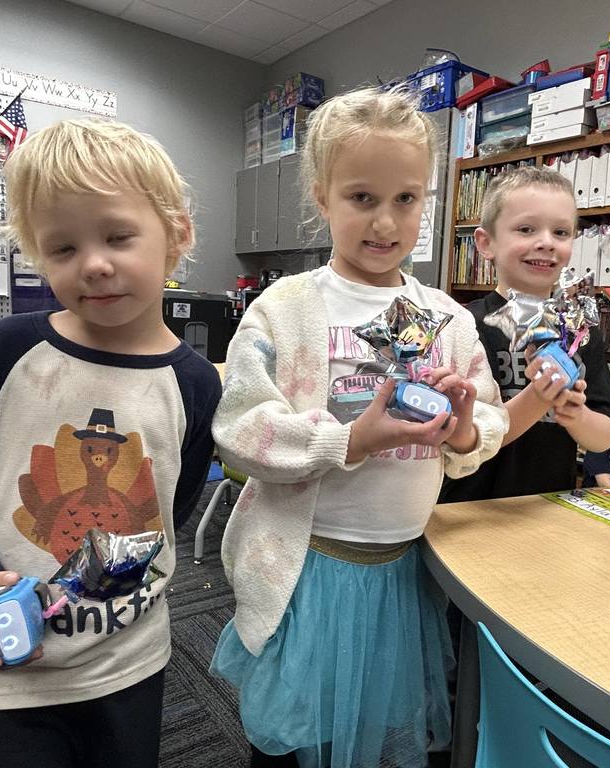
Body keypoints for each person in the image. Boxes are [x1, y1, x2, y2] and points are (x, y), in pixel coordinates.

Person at [0, 118, 221, 768]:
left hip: (131, 667)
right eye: (62, 249)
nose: (93, 264)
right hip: (8, 674)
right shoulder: (8, 350)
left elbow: (165, 518)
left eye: (118, 236)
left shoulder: (193, 383)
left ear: (176, 233)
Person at [209, 86, 509, 768]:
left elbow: (485, 418)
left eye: (405, 199)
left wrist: (463, 430)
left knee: (386, 738)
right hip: (307, 572)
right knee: (295, 741)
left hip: (403, 578)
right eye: (361, 198)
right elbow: (240, 429)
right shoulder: (282, 309)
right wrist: (350, 440)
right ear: (322, 198)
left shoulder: (448, 318)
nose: (385, 221)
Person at [440, 165, 610, 504]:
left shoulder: (580, 332)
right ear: (486, 243)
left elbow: (605, 436)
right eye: (526, 229)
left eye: (561, 232)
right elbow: (459, 439)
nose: (546, 243)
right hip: (468, 510)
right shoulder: (463, 324)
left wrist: (576, 417)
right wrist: (539, 398)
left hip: (549, 507)